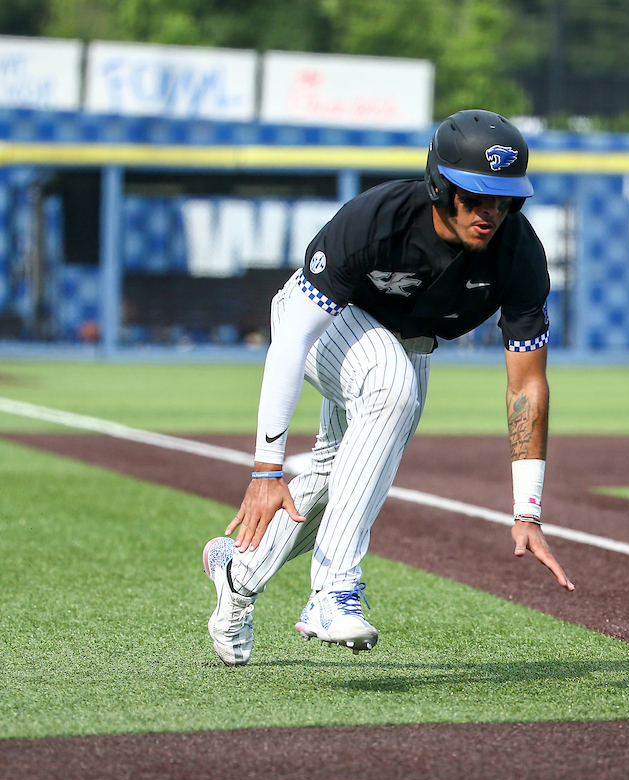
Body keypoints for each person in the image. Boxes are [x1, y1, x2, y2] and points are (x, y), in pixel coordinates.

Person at [201, 109, 575, 668]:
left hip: (409, 344)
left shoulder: (520, 253)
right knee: (392, 389)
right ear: (440, 186)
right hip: (326, 326)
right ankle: (332, 590)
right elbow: (293, 336)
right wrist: (265, 470)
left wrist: (528, 510)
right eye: (476, 196)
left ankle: (238, 574)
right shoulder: (378, 218)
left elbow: (527, 385)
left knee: (337, 479)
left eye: (504, 199)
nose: (490, 212)